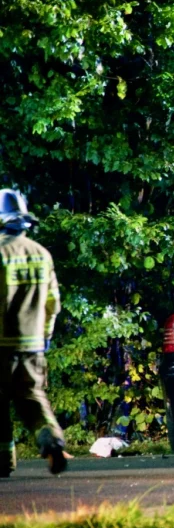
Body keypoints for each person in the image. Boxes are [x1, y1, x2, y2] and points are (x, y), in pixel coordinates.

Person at [0, 189, 66, 476]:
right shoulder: (42, 254)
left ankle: (4, 462)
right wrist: (45, 336)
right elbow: (53, 303)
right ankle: (52, 441)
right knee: (33, 400)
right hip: (33, 345)